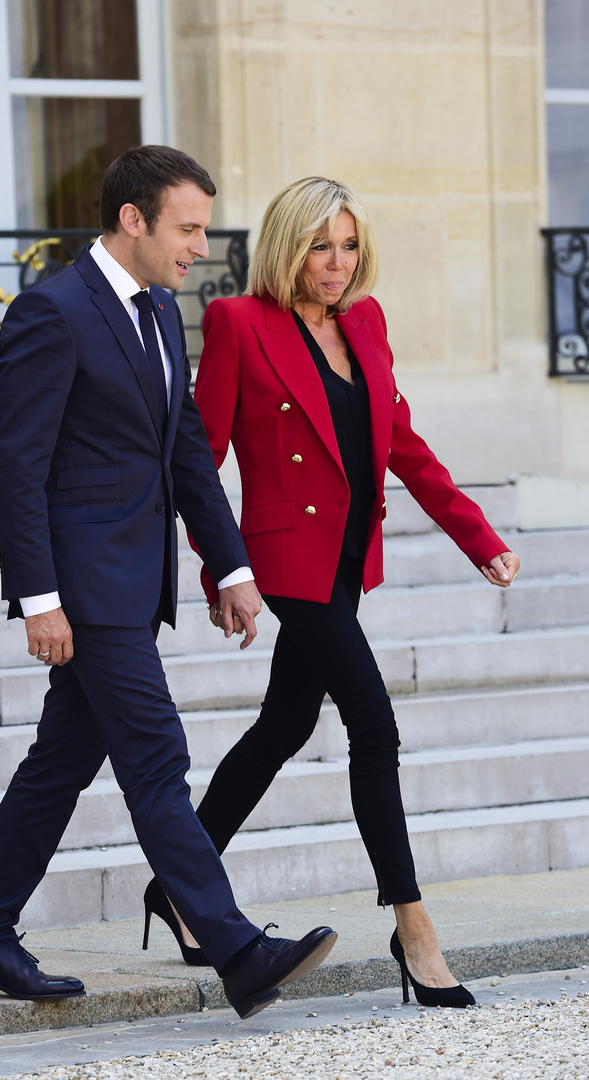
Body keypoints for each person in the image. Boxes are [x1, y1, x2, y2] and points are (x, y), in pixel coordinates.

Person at [0, 147, 337, 1021]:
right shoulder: (52, 312)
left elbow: (185, 451)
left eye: (203, 229)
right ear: (134, 219)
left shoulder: (159, 309)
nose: (200, 246)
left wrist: (230, 565)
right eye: (187, 228)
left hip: (133, 583)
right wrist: (39, 599)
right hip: (85, 591)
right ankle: (238, 951)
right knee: (157, 757)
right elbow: (18, 465)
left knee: (59, 764)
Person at [143, 175, 521, 1009]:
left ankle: (175, 884)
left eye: (348, 246)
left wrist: (479, 538)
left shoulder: (367, 321)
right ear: (289, 247)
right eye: (320, 246)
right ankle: (414, 928)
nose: (336, 263)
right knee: (373, 723)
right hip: (285, 560)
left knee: (283, 725)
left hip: (345, 559)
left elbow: (402, 443)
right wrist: (222, 571)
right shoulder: (240, 322)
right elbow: (200, 460)